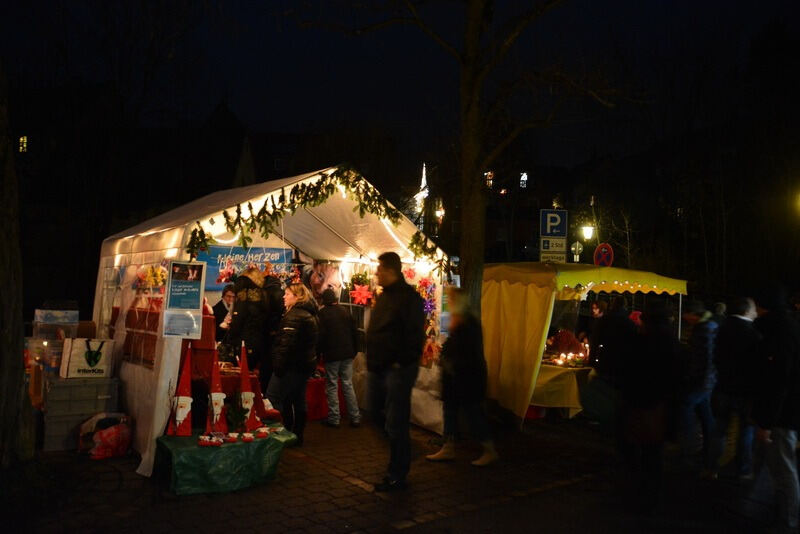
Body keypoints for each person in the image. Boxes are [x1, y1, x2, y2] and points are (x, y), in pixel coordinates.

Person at [366, 252, 425, 492]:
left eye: (379, 268)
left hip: (397, 370)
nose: (376, 273)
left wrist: (401, 362)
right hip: (379, 368)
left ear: (390, 270)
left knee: (395, 422)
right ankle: (405, 452)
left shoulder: (408, 298)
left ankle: (397, 472)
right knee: (375, 413)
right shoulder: (384, 296)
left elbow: (414, 334)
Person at [619, 303, 681, 512]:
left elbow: (626, 370)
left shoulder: (638, 342)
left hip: (639, 402)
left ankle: (637, 492)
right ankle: (652, 495)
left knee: (635, 448)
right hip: (661, 404)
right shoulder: (674, 344)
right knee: (653, 452)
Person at [426, 287, 497, 466]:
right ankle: (448, 447)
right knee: (450, 411)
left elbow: (467, 351)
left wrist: (450, 360)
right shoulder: (460, 320)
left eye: (451, 299)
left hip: (467, 378)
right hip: (456, 377)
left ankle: (489, 449)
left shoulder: (468, 322)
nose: (448, 302)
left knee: (473, 413)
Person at [750, 286, 800, 532]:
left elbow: (778, 381)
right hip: (781, 412)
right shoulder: (782, 328)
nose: (754, 311)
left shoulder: (779, 333)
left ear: (764, 306)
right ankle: (783, 514)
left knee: (784, 467)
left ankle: (789, 519)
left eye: (757, 306)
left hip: (782, 415)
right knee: (780, 466)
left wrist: (767, 422)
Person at [709, 297, 761, 479]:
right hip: (745, 391)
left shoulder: (722, 328)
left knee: (720, 430)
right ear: (746, 310)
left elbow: (715, 356)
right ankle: (743, 469)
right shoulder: (753, 333)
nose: (756, 311)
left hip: (723, 386)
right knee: (746, 431)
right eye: (754, 308)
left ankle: (711, 467)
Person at [267, 282, 319, 446]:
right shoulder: (308, 313)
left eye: (287, 294)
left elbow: (286, 346)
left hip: (291, 366)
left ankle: (279, 435)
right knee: (297, 398)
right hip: (303, 365)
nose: (284, 296)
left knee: (274, 397)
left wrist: (278, 367)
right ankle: (296, 435)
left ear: (297, 297)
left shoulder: (294, 316)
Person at [679, 299, 718, 472]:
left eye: (686, 315)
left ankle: (690, 449)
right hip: (705, 381)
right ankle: (709, 453)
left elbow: (707, 358)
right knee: (705, 415)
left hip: (702, 381)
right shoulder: (707, 326)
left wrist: (701, 380)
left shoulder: (704, 329)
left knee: (685, 406)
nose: (684, 318)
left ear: (693, 314)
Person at [318, 288, 361, 428]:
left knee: (332, 385)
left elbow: (321, 337)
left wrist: (319, 353)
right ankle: (355, 417)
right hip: (347, 354)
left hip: (332, 355)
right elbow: (355, 333)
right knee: (348, 384)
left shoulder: (322, 314)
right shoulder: (345, 312)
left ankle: (334, 418)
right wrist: (354, 350)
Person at [228, 268, 270, 371]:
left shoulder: (244, 297)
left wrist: (231, 334)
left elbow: (237, 324)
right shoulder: (263, 295)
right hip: (259, 343)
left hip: (243, 343)